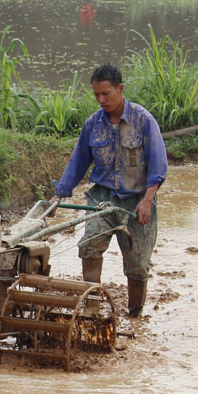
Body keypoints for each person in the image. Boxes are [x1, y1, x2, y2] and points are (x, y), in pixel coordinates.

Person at [51, 64, 167, 317]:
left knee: (137, 265)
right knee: (89, 247)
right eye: (96, 95)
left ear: (120, 89)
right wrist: (58, 196)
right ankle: (92, 308)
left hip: (136, 200)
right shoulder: (92, 124)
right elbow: (77, 162)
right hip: (102, 199)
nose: (101, 100)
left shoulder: (143, 120)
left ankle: (135, 314)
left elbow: (158, 166)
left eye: (106, 94)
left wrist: (147, 200)